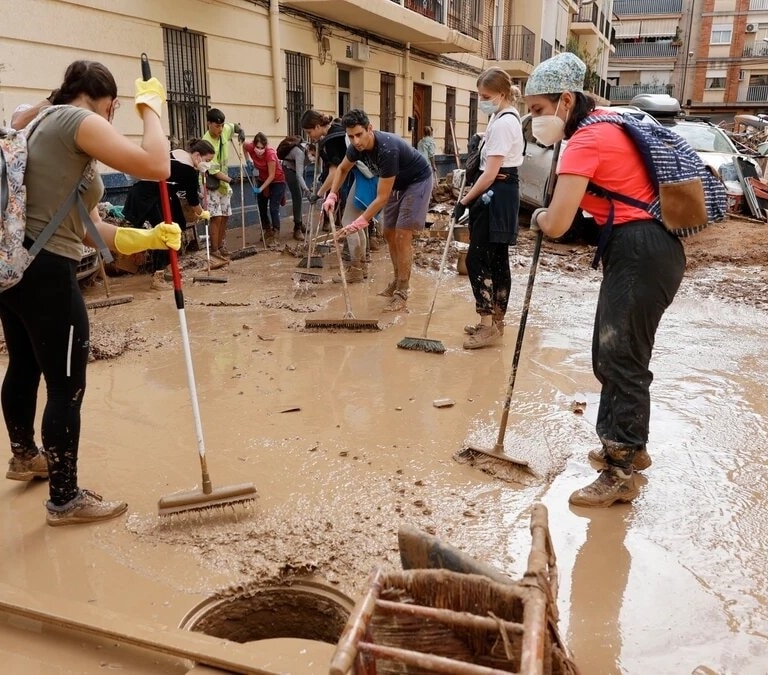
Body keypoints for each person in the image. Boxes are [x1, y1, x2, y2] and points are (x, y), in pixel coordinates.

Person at [2, 60, 181, 526]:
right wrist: (153, 111)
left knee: (24, 364)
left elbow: (84, 229)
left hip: (16, 266)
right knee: (66, 386)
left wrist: (143, 238)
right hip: (45, 272)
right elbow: (158, 164)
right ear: (109, 103)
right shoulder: (78, 120)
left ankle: (25, 456)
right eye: (117, 110)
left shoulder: (42, 122)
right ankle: (64, 499)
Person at [524, 52, 685, 507]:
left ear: (566, 100)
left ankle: (620, 472)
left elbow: (556, 223)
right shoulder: (608, 123)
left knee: (620, 359)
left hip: (640, 251)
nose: (534, 120)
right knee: (613, 351)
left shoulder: (586, 140)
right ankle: (630, 446)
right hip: (649, 249)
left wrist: (537, 215)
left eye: (538, 109)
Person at [324, 108, 432, 311]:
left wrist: (360, 221)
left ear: (369, 129)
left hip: (418, 181)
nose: (356, 141)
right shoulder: (355, 148)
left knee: (402, 234)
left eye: (359, 134)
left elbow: (382, 198)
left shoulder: (387, 150)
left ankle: (402, 291)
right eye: (351, 136)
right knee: (388, 233)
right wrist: (332, 194)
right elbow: (342, 169)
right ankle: (396, 280)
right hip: (396, 184)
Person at [452, 68, 524, 350]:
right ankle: (494, 322)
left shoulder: (505, 123)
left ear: (502, 95)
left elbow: (490, 173)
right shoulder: (500, 117)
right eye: (479, 96)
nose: (482, 101)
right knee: (493, 258)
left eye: (486, 96)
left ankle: (488, 325)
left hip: (497, 192)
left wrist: (465, 201)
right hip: (498, 191)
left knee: (479, 260)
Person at [123, 138, 216, 284]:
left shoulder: (179, 153)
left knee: (177, 224)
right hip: (148, 197)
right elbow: (192, 202)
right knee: (167, 233)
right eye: (208, 160)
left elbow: (176, 181)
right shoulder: (190, 171)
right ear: (197, 155)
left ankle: (166, 267)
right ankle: (158, 277)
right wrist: (202, 213)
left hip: (157, 194)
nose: (208, 164)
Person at [202, 108, 244, 260]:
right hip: (211, 184)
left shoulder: (225, 130)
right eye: (216, 126)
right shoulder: (206, 142)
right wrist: (230, 180)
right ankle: (214, 250)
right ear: (209, 124)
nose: (220, 129)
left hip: (224, 185)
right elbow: (213, 171)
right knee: (216, 217)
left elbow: (234, 126)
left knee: (225, 215)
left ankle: (221, 245)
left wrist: (241, 131)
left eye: (221, 126)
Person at [301, 111, 349, 235]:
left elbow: (333, 173)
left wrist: (318, 194)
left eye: (309, 132)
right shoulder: (338, 129)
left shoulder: (331, 140)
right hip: (358, 176)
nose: (309, 136)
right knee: (355, 218)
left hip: (354, 178)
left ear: (317, 126)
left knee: (349, 219)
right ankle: (360, 250)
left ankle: (354, 252)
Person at [243, 132, 287, 246]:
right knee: (261, 206)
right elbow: (244, 146)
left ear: (265, 146)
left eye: (262, 147)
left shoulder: (270, 154)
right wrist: (248, 160)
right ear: (254, 145)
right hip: (262, 179)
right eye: (257, 147)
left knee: (273, 207)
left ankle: (275, 233)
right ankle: (267, 230)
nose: (259, 150)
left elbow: (272, 175)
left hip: (277, 180)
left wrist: (260, 188)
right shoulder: (251, 147)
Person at [280, 137, 310, 241]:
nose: (314, 158)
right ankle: (297, 228)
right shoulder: (300, 153)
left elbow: (318, 169)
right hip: (289, 169)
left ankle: (300, 222)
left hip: (300, 169)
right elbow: (299, 176)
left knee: (300, 196)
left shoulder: (316, 150)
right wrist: (306, 189)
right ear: (309, 150)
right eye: (313, 155)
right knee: (297, 196)